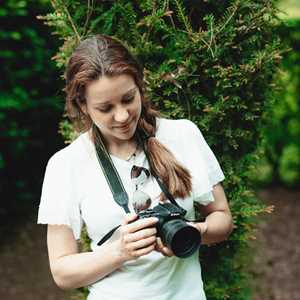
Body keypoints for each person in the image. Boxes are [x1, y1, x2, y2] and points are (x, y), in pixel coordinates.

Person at [38, 34, 233, 300]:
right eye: (105, 108)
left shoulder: (183, 135)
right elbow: (62, 272)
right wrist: (120, 251)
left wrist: (197, 231)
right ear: (83, 106)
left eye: (128, 98)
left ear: (140, 86)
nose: (122, 116)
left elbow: (222, 218)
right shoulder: (65, 165)